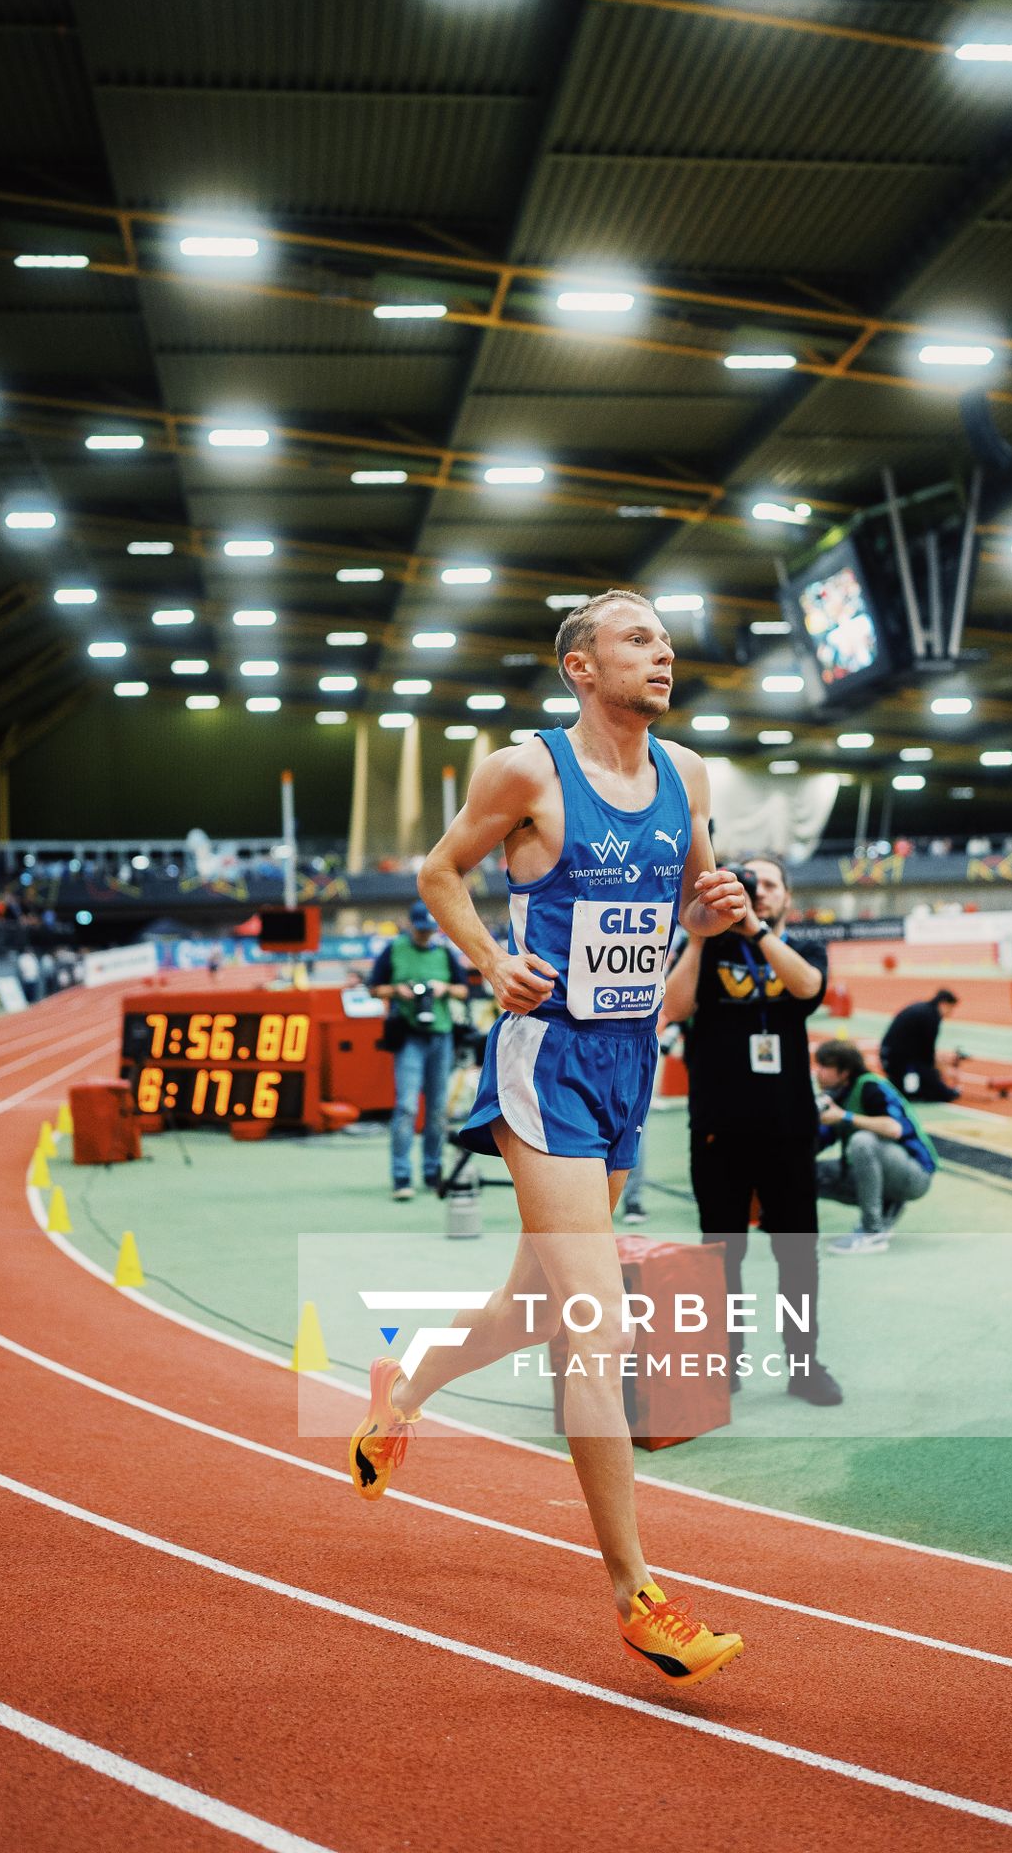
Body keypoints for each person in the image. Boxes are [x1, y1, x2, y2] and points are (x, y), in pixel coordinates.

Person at [349, 590, 749, 1689]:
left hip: (628, 1064)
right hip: (545, 1061)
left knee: (529, 1305)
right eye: (635, 638)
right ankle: (635, 1596)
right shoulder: (524, 771)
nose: (662, 650)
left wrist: (705, 928)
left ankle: (405, 1381)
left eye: (667, 638)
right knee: (596, 1323)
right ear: (578, 667)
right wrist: (487, 959)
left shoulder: (689, 779)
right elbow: (438, 872)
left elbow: (679, 960)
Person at [661, 855, 843, 1408]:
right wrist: (698, 935)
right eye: (747, 883)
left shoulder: (802, 949)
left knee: (797, 1255)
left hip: (787, 1127)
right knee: (721, 1253)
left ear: (786, 896)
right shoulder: (705, 950)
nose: (756, 892)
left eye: (768, 885)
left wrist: (756, 930)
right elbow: (672, 1007)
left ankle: (803, 1365)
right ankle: (726, 1362)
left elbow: (808, 989)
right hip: (719, 1127)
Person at [369, 900, 469, 1201]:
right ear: (411, 925)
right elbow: (374, 987)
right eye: (421, 930)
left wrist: (444, 988)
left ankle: (433, 1170)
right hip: (409, 1034)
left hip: (441, 1035)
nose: (425, 936)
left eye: (430, 931)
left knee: (438, 1109)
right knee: (407, 1106)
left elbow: (464, 990)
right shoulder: (394, 950)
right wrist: (397, 990)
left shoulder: (445, 953)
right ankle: (402, 1175)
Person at [813, 1040, 938, 1254]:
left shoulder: (870, 1086)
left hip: (914, 1174)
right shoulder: (837, 1096)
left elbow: (893, 1129)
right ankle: (888, 1205)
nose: (818, 1073)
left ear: (844, 1072)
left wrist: (845, 1116)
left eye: (825, 1067)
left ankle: (873, 1232)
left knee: (863, 1141)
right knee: (804, 1171)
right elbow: (817, 1143)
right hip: (883, 1172)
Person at [880, 988, 961, 1101]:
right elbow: (927, 1055)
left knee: (926, 1077)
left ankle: (900, 1083)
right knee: (940, 1092)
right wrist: (945, 1070)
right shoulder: (931, 1017)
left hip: (890, 1057)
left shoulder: (923, 1009)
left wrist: (941, 1059)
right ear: (944, 1004)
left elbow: (920, 1046)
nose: (951, 1013)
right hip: (899, 1061)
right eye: (951, 1008)